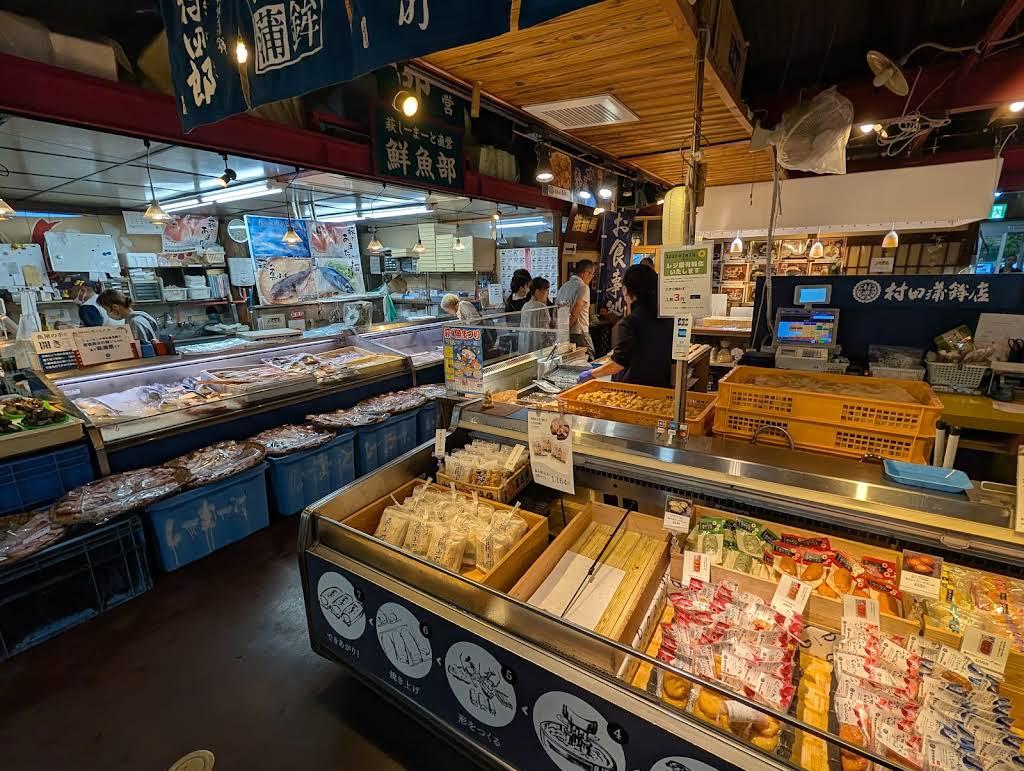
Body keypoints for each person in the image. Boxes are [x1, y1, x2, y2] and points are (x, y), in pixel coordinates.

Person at [577, 264, 672, 388]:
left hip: (633, 391)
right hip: (660, 386)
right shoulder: (667, 317)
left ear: (627, 290)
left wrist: (591, 374)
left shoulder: (630, 322)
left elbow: (619, 363)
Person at [555, 259, 596, 357]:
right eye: (592, 274)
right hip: (579, 331)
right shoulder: (583, 287)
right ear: (585, 273)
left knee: (571, 360)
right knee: (590, 357)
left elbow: (557, 310)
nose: (592, 277)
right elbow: (575, 313)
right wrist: (566, 329)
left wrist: (562, 331)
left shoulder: (563, 287)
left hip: (564, 331)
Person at [519, 277, 551, 353]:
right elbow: (545, 331)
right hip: (538, 348)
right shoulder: (541, 307)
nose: (547, 294)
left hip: (525, 346)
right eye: (546, 290)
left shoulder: (525, 305)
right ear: (537, 291)